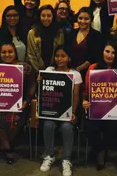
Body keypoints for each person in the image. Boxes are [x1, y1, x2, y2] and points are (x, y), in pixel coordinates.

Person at [0, 42, 35, 164]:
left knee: (16, 119)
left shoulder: (25, 67)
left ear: (15, 53)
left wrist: (26, 101)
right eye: (4, 52)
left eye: (10, 52)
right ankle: (8, 147)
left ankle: (5, 142)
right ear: (0, 54)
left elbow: (32, 86)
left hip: (20, 104)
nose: (7, 55)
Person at [82, 41, 117, 171]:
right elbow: (86, 91)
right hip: (96, 108)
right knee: (91, 127)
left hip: (114, 109)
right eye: (107, 51)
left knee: (113, 126)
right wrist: (84, 102)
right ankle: (101, 149)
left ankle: (100, 151)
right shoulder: (93, 68)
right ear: (102, 52)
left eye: (113, 52)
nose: (110, 55)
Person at [40, 45, 82, 176]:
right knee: (47, 124)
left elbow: (76, 96)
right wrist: (39, 82)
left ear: (69, 58)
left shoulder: (75, 74)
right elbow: (44, 92)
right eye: (57, 56)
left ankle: (66, 159)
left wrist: (73, 113)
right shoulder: (49, 70)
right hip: (52, 112)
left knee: (66, 128)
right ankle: (50, 155)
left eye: (63, 56)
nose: (59, 58)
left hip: (68, 113)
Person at [27, 4, 64, 72]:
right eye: (43, 16)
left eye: (49, 16)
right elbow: (31, 55)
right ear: (39, 16)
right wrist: (40, 72)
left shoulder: (59, 32)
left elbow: (60, 53)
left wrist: (53, 70)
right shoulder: (32, 33)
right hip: (36, 71)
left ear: (53, 17)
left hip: (55, 70)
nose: (46, 18)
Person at [72, 7, 104, 79]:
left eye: (86, 19)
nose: (83, 21)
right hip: (71, 72)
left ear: (91, 20)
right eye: (80, 18)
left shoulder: (97, 35)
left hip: (88, 73)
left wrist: (78, 69)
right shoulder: (72, 33)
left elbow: (95, 57)